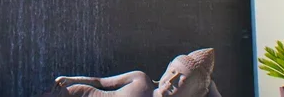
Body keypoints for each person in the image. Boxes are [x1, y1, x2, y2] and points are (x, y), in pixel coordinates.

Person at [40, 48, 222, 97]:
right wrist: (72, 79)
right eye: (172, 71)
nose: (171, 80)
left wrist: (210, 87)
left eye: (182, 79)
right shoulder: (139, 79)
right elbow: (100, 82)